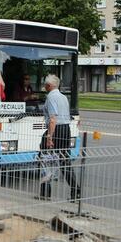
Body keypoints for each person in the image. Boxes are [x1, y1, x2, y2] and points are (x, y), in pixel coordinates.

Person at [42, 74, 80, 202]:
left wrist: (49, 137)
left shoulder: (51, 97)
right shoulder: (64, 97)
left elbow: (53, 119)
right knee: (64, 161)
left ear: (49, 85)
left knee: (45, 158)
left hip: (56, 130)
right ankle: (76, 191)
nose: (44, 86)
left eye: (45, 84)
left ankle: (45, 192)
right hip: (66, 130)